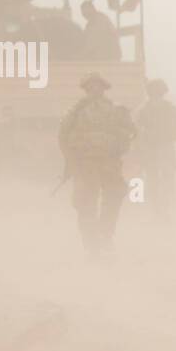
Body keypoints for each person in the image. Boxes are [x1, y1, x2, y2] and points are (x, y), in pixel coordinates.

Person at [58, 72, 136, 255]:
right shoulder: (74, 113)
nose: (95, 90)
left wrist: (120, 145)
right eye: (91, 87)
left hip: (110, 162)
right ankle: (91, 244)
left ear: (104, 89)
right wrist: (70, 162)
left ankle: (105, 234)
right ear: (86, 90)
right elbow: (63, 138)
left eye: (98, 86)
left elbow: (131, 132)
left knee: (115, 195)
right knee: (85, 204)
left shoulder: (116, 110)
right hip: (85, 165)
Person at [135, 78, 176, 221]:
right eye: (153, 92)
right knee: (154, 180)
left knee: (165, 179)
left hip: (164, 148)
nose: (156, 95)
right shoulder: (144, 110)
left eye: (158, 92)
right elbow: (137, 130)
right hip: (152, 150)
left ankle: (162, 209)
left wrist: (168, 135)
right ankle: (158, 210)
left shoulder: (169, 109)